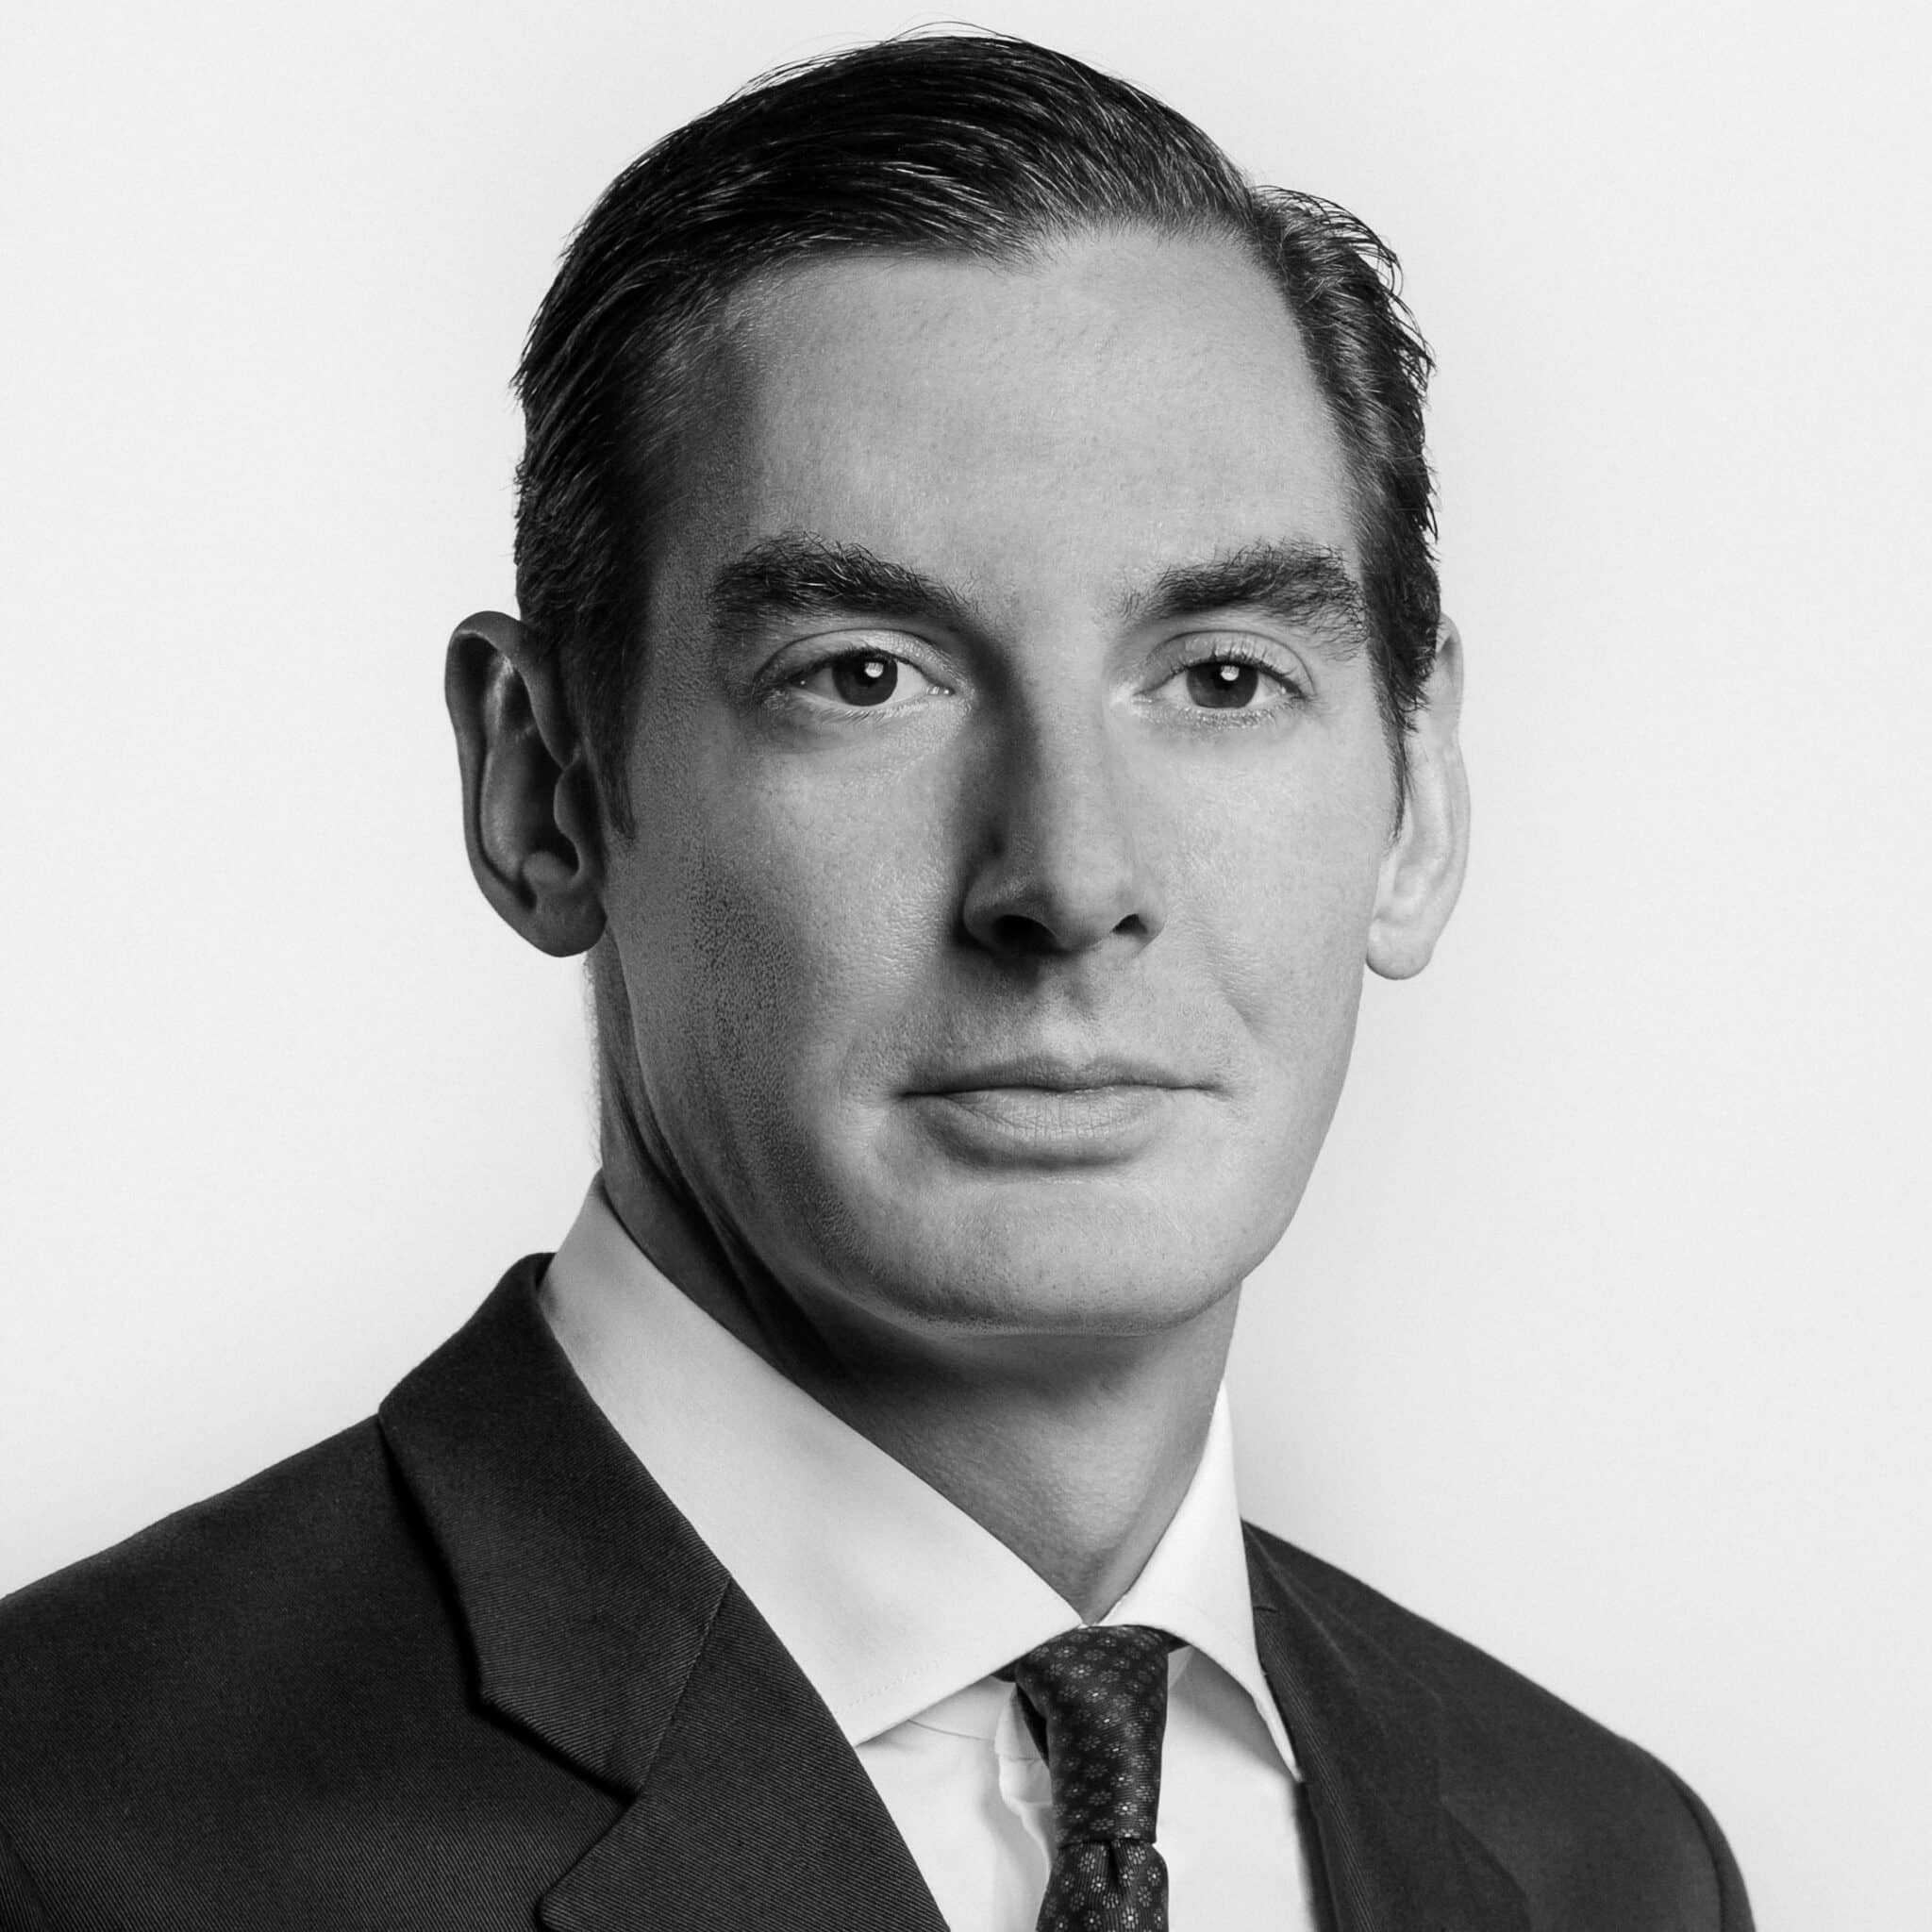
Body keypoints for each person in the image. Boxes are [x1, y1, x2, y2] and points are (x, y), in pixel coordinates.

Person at [0, 31, 1753, 1932]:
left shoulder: (1603, 1866)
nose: (1070, 879)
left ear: (1415, 801)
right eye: (862, 676)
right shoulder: (69, 1834)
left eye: (1223, 677)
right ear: (541, 791)